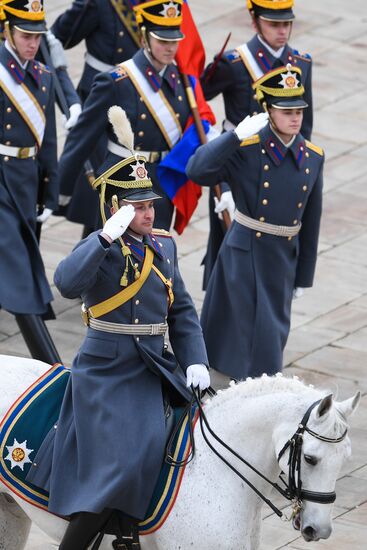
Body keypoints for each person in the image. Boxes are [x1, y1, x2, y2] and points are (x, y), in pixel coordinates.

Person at [27, 124, 210, 548]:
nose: (149, 214)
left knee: (177, 442)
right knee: (122, 459)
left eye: (150, 205)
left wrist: (196, 358)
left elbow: (181, 309)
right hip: (106, 371)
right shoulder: (102, 247)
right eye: (138, 207)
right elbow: (67, 283)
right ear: (116, 209)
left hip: (152, 365)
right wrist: (106, 235)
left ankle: (130, 529)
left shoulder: (164, 246)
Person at [186, 64, 324, 385]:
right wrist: (232, 137)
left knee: (271, 338)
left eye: (299, 110)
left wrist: (304, 275)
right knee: (232, 335)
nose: (295, 117)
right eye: (286, 110)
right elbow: (197, 170)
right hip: (243, 253)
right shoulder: (247, 147)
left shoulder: (313, 156)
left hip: (281, 259)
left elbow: (311, 221)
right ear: (267, 110)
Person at [55, 0, 215, 234]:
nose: (170, 48)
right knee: (111, 262)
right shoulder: (116, 81)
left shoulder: (181, 80)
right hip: (122, 184)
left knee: (156, 263)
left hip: (160, 184)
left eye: (174, 41)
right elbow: (81, 139)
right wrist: (60, 191)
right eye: (162, 41)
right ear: (144, 37)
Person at [200, 0, 313, 288]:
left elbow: (305, 127)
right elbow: (196, 107)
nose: (282, 31)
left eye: (287, 23)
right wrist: (222, 185)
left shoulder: (301, 64)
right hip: (237, 173)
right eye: (274, 24)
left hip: (279, 171)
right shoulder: (233, 64)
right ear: (254, 21)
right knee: (225, 259)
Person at [0, 0, 61, 364]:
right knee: (19, 267)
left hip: (25, 179)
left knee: (14, 260)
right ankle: (50, 362)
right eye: (25, 35)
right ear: (7, 30)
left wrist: (49, 190)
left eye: (37, 36)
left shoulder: (43, 75)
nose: (32, 43)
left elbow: (48, 139)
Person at [51, 0, 142, 235]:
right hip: (99, 102)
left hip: (136, 101)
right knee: (100, 191)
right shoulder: (101, 3)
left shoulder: (157, 6)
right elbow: (61, 36)